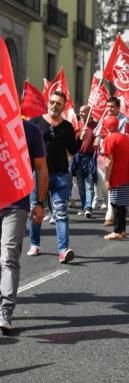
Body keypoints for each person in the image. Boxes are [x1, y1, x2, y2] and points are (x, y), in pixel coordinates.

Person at [0, 122, 48, 333]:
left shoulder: (29, 131)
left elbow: (41, 167)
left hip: (15, 206)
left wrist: (39, 202)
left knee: (8, 256)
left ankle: (5, 310)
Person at [27, 90, 81, 263]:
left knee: (61, 213)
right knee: (35, 211)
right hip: (37, 175)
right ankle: (34, 243)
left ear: (63, 106)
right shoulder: (35, 123)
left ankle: (63, 250)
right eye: (52, 102)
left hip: (60, 175)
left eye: (58, 103)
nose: (54, 105)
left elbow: (73, 150)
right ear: (47, 103)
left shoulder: (67, 127)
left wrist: (82, 139)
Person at [101, 116, 129, 240]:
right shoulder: (125, 138)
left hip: (116, 176)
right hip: (126, 175)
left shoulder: (109, 139)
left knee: (115, 204)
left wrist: (107, 178)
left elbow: (108, 161)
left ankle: (117, 231)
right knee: (121, 204)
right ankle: (123, 230)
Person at [72, 104, 98, 218]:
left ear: (89, 112)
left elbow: (100, 138)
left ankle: (88, 207)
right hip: (78, 157)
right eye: (80, 112)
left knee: (89, 184)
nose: (81, 114)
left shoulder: (96, 126)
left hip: (90, 157)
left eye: (84, 112)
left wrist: (97, 139)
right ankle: (83, 206)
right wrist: (79, 135)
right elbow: (72, 141)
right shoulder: (77, 125)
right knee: (80, 185)